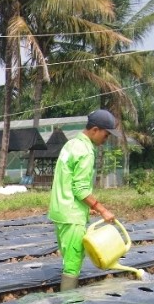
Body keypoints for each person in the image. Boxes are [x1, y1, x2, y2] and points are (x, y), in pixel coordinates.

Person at [47, 109, 119, 291]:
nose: (106, 139)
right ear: (95, 130)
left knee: (68, 256)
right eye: (106, 134)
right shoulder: (86, 151)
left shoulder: (70, 145)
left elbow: (67, 182)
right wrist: (103, 210)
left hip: (60, 211)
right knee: (73, 262)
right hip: (72, 215)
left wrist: (88, 208)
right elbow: (80, 189)